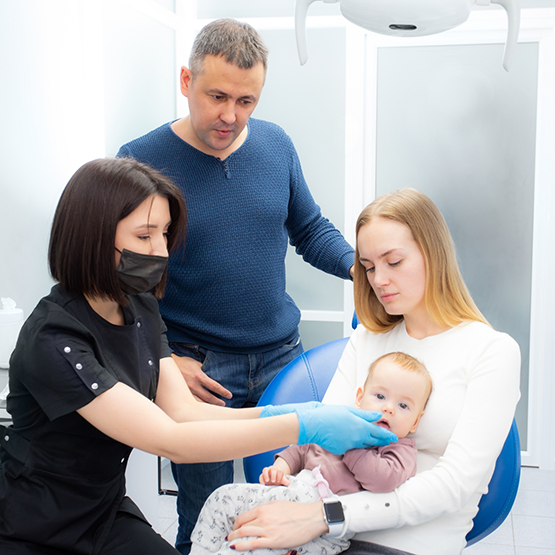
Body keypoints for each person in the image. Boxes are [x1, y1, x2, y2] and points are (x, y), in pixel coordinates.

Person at [0, 157, 396, 555]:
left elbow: (186, 413)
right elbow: (172, 439)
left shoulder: (138, 305)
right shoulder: (55, 339)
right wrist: (303, 426)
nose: (161, 252)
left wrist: (296, 412)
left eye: (165, 234)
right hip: (33, 524)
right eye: (144, 236)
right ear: (93, 237)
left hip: (102, 513)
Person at [117, 18, 356, 554]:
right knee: (207, 517)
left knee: (296, 502)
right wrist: (165, 360)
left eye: (247, 101)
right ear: (186, 80)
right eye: (218, 96)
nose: (231, 116)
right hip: (198, 370)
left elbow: (310, 229)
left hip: (283, 359)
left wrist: (360, 268)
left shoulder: (275, 144)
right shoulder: (139, 160)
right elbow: (126, 281)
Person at [225, 188, 521, 555]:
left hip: (409, 542)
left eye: (393, 262)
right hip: (323, 531)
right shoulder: (368, 338)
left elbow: (455, 485)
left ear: (435, 254)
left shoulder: (492, 351)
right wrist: (294, 514)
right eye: (368, 267)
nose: (378, 280)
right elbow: (323, 439)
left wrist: (324, 515)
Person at [190, 351, 432, 555]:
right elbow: (302, 448)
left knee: (247, 544)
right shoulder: (339, 424)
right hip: (287, 493)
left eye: (403, 406)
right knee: (222, 497)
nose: (388, 408)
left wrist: (350, 445)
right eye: (380, 396)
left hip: (321, 532)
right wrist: (280, 468)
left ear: (414, 422)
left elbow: (383, 480)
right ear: (359, 398)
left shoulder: (400, 449)